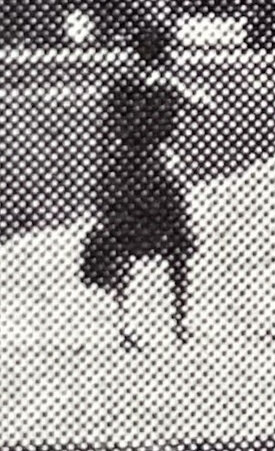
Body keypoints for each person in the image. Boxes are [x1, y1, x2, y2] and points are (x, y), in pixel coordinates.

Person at [89, 18, 209, 349]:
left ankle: (124, 322)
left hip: (125, 164)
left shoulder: (121, 85)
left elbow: (105, 131)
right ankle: (181, 322)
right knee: (178, 240)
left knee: (122, 241)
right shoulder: (166, 84)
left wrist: (101, 176)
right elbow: (203, 104)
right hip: (159, 163)